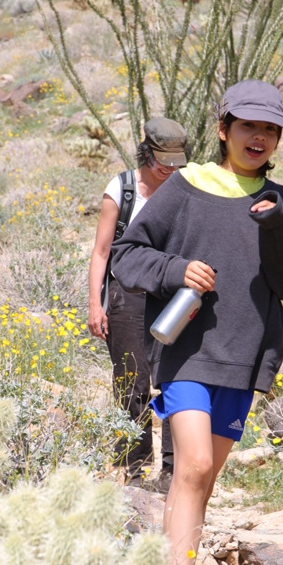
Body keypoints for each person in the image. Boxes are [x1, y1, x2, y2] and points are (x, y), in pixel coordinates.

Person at [111, 81, 283, 565]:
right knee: (193, 464)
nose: (259, 138)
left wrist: (276, 227)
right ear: (223, 130)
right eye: (248, 126)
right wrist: (176, 270)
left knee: (204, 479)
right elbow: (127, 254)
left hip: (245, 357)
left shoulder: (281, 201)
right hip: (186, 352)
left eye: (270, 129)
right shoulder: (187, 187)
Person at [88, 118, 188, 491]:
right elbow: (101, 252)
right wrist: (95, 304)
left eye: (176, 160)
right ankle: (132, 468)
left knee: (174, 380)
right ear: (147, 151)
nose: (169, 167)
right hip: (127, 294)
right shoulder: (123, 188)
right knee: (132, 382)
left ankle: (172, 470)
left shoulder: (186, 187)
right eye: (163, 159)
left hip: (172, 294)